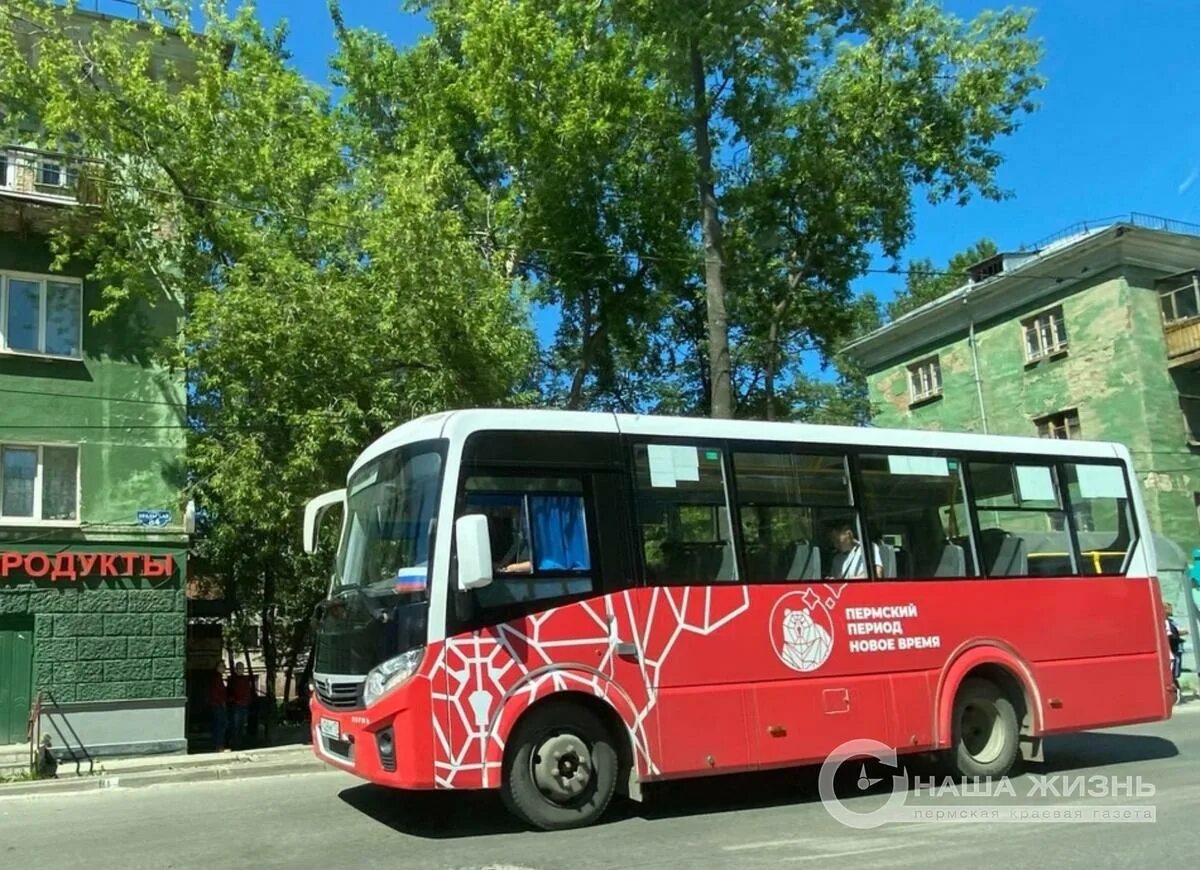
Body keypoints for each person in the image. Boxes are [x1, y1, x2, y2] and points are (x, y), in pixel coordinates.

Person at [227, 662, 254, 750]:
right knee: (235, 725)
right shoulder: (232, 679)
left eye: (242, 668)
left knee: (242, 725)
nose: (240, 670)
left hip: (244, 705)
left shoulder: (245, 679)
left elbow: (248, 691)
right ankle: (234, 744)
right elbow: (229, 692)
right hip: (236, 706)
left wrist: (248, 701)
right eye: (239, 668)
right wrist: (234, 700)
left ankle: (240, 744)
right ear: (236, 669)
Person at [1165, 602, 1187, 704]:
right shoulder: (1165, 622)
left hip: (1173, 651)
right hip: (1171, 651)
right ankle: (1175, 694)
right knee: (1171, 674)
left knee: (1173, 674)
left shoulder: (1171, 623)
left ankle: (1176, 694)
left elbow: (1182, 631)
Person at [209, 660, 229, 752]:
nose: (224, 667)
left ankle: (219, 745)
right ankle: (219, 746)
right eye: (221, 666)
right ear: (217, 667)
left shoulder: (220, 677)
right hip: (218, 705)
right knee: (220, 725)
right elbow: (216, 693)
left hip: (219, 704)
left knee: (220, 725)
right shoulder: (216, 678)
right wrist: (221, 702)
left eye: (224, 666)